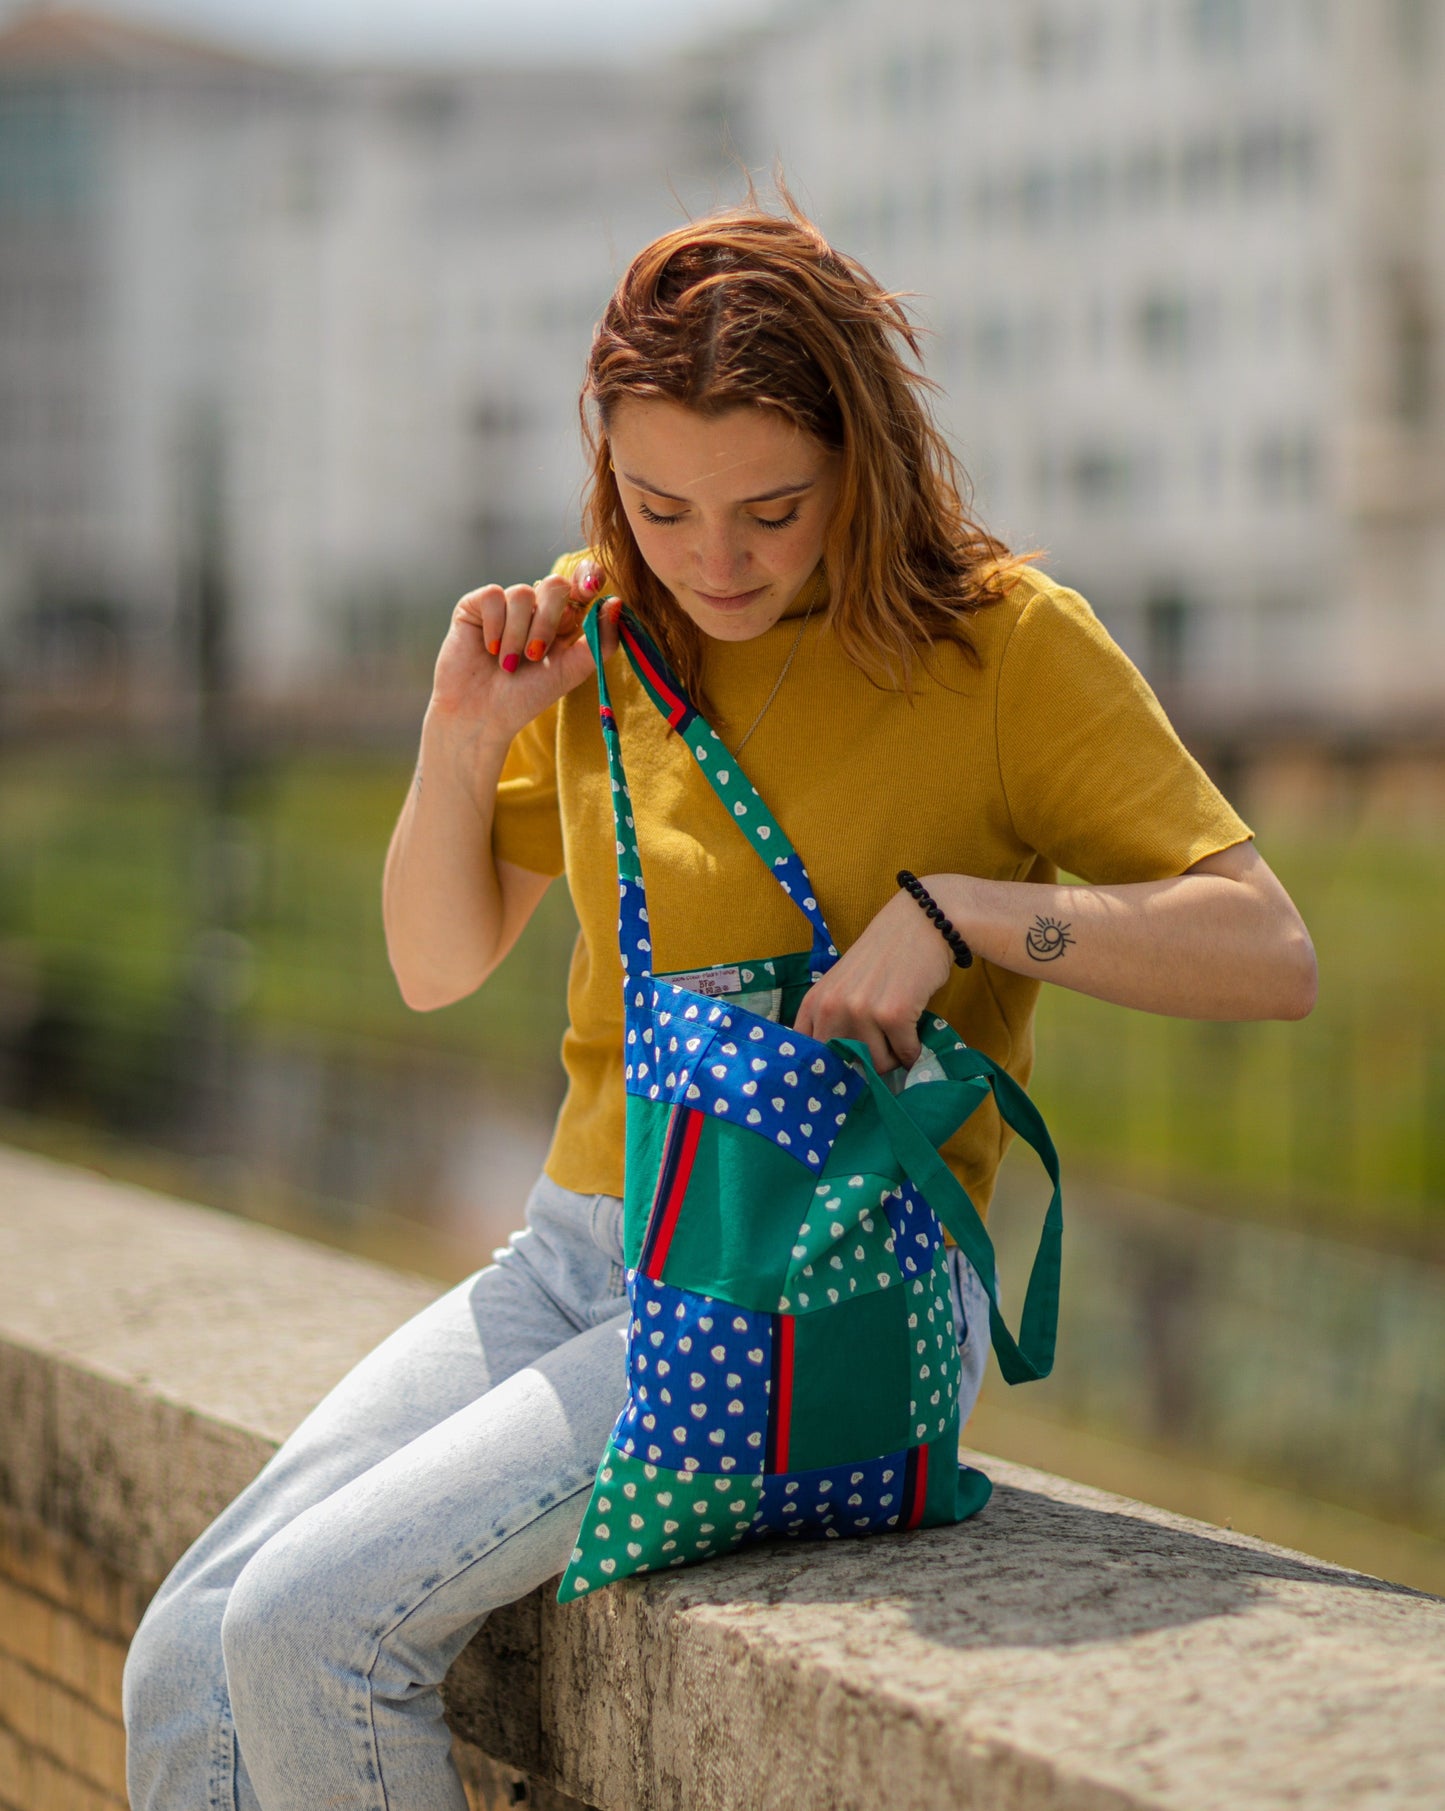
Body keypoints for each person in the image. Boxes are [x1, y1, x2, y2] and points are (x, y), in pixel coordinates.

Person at [123, 193, 1317, 1809]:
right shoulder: (605, 623)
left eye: (771, 507)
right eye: (656, 504)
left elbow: (1266, 952)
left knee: (308, 1629)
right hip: (572, 1255)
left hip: (825, 1281)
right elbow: (433, 964)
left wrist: (960, 913)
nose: (713, 559)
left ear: (862, 462)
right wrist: (463, 730)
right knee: (183, 1652)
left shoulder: (1003, 649)